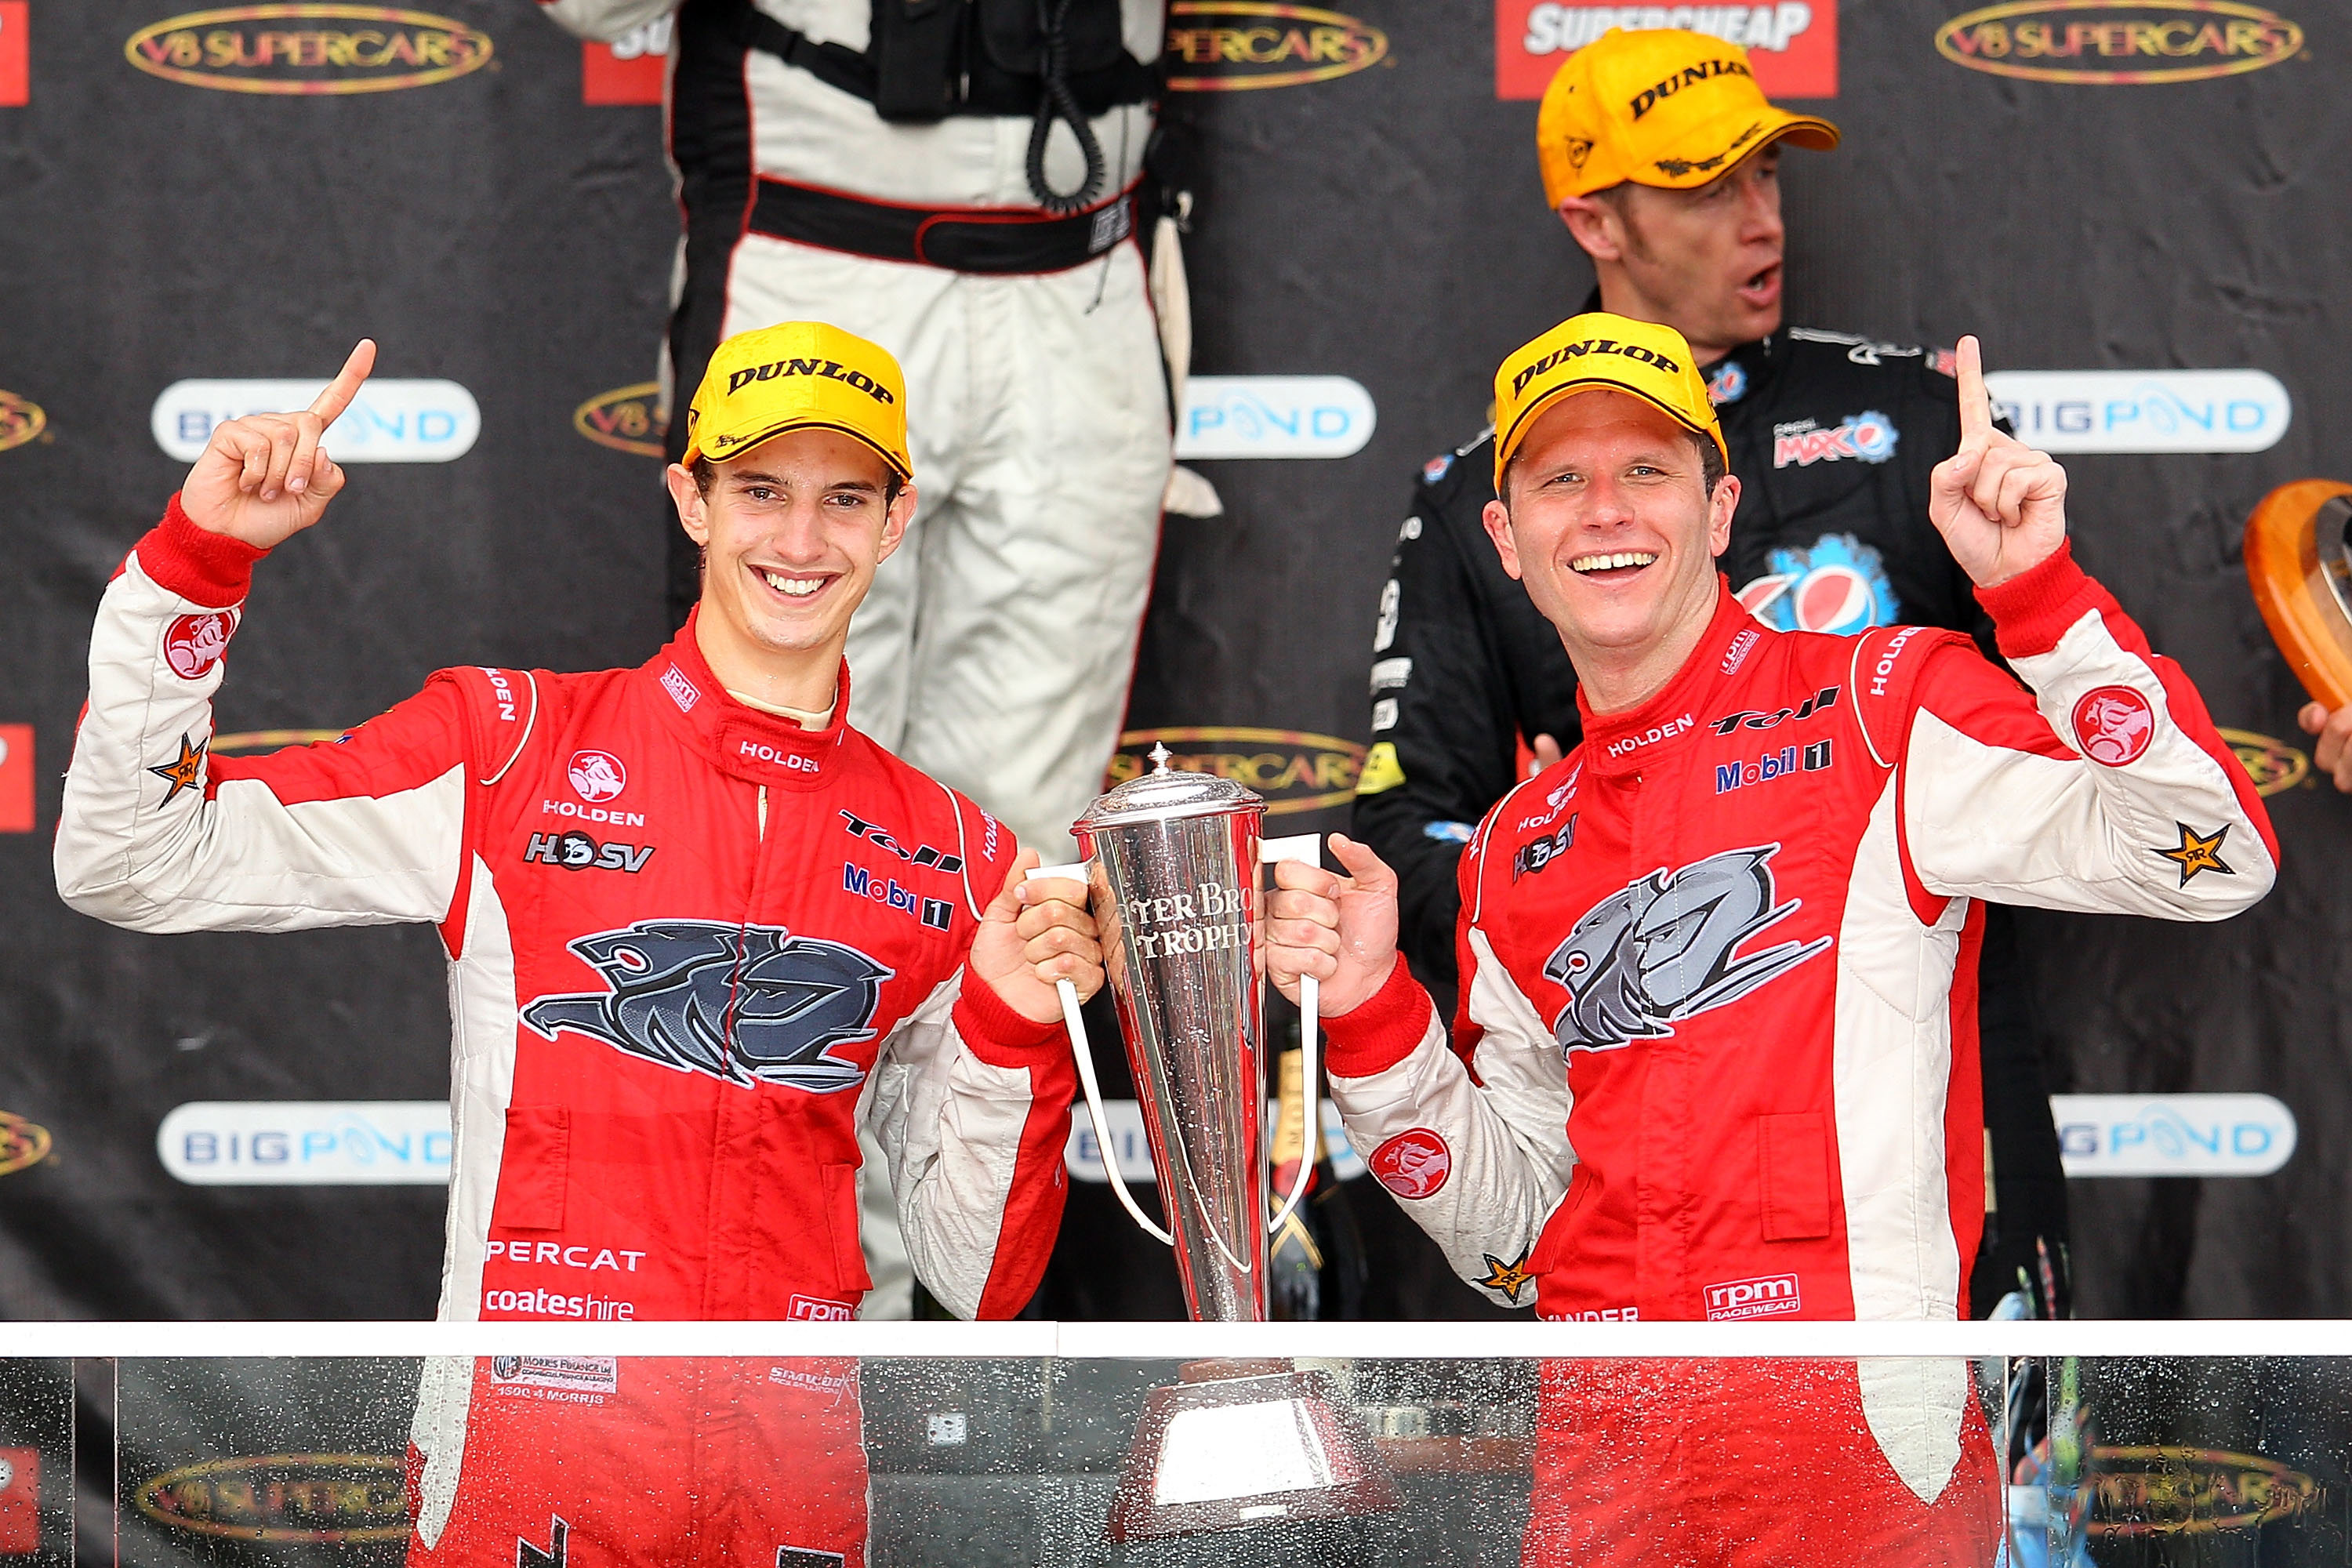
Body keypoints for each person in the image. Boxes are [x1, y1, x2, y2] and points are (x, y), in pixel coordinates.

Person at [54, 321, 1103, 1566]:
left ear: (894, 521)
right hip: (525, 1473)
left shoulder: (961, 856)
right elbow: (130, 858)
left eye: (844, 499)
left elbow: (977, 1279)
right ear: (691, 501)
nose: (801, 541)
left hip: (796, 1500)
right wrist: (198, 563)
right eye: (760, 491)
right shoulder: (507, 748)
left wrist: (1007, 1025)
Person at [1272, 314, 2277, 1563]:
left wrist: (2040, 599)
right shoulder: (1513, 852)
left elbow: (2213, 858)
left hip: (1860, 1452)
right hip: (1607, 1475)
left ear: (1719, 507)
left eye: (1648, 470)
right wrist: (1372, 1015)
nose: (1606, 511)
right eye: (1560, 480)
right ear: (1506, 539)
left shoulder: (1881, 707)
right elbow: (1518, 1246)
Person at [1352, 24, 2071, 1317]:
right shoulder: (1482, 499)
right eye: (1704, 187)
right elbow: (1408, 823)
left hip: (1927, 1077)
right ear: (1595, 220)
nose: (1760, 220)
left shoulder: (1923, 426)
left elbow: (2080, 749)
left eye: (1769, 176)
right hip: (1648, 1094)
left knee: (2000, 1507)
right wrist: (1620, 885)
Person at [531, 0, 1174, 865]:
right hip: (819, 262)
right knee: (781, 742)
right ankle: (780, 1000)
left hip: (1080, 279)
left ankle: (983, 1005)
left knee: (1031, 786)